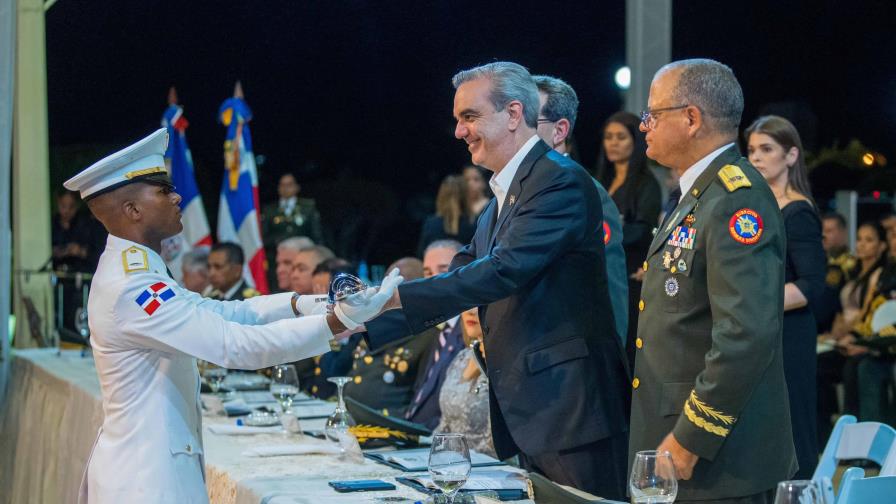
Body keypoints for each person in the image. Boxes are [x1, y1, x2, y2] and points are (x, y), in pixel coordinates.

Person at [62, 128, 401, 503]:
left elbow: (225, 311)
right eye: (162, 191)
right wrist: (339, 322)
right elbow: (234, 346)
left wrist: (309, 303)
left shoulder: (138, 270)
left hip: (148, 467)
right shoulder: (132, 286)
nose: (177, 197)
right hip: (147, 480)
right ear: (133, 210)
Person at [377, 62, 629, 498]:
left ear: (514, 115)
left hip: (570, 411)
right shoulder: (504, 194)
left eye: (469, 117)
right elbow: (463, 266)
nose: (459, 131)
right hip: (535, 407)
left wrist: (390, 302)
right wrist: (372, 316)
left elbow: (500, 271)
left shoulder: (559, 181)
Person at [629, 59, 796, 503]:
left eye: (653, 114)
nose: (644, 126)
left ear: (690, 118)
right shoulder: (698, 193)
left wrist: (690, 439)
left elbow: (746, 333)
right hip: (678, 444)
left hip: (716, 459)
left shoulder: (734, 201)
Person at [745, 115, 826, 480]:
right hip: (763, 330)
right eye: (751, 150)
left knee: (795, 428)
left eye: (767, 149)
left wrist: (752, 305)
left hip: (789, 333)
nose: (757, 158)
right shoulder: (758, 203)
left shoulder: (798, 211)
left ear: (791, 155)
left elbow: (811, 284)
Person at [533, 74, 629, 348]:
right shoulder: (512, 193)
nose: (515, 129)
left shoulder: (587, 194)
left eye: (530, 120)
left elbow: (611, 293)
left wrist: (609, 372)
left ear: (560, 131)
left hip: (572, 368)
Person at [594, 111, 661, 363]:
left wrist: (606, 232)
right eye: (608, 137)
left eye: (620, 137)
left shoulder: (647, 183)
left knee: (626, 347)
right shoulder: (600, 180)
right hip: (602, 274)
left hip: (630, 277)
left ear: (635, 141)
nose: (613, 143)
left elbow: (643, 230)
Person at [343, 256, 438, 414]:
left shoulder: (429, 333)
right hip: (354, 415)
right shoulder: (373, 323)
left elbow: (423, 395)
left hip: (390, 424)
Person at [403, 240, 466, 429]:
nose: (432, 280)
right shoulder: (432, 330)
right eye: (428, 273)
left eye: (443, 269)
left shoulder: (471, 329)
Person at [433, 307, 495, 457]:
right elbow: (444, 426)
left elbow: (495, 442)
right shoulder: (462, 357)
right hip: (451, 463)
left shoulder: (507, 363)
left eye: (481, 304)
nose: (470, 311)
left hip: (493, 469)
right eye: (468, 302)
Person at [261, 173, 323, 289]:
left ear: (296, 187)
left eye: (289, 185)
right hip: (277, 259)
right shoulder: (269, 210)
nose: (286, 188)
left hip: (303, 258)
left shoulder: (308, 207)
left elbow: (317, 235)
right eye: (282, 185)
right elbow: (263, 238)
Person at [417, 175, 477, 256]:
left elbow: (421, 254)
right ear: (466, 196)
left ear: (441, 195)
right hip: (464, 268)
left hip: (437, 267)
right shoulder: (473, 223)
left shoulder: (431, 224)